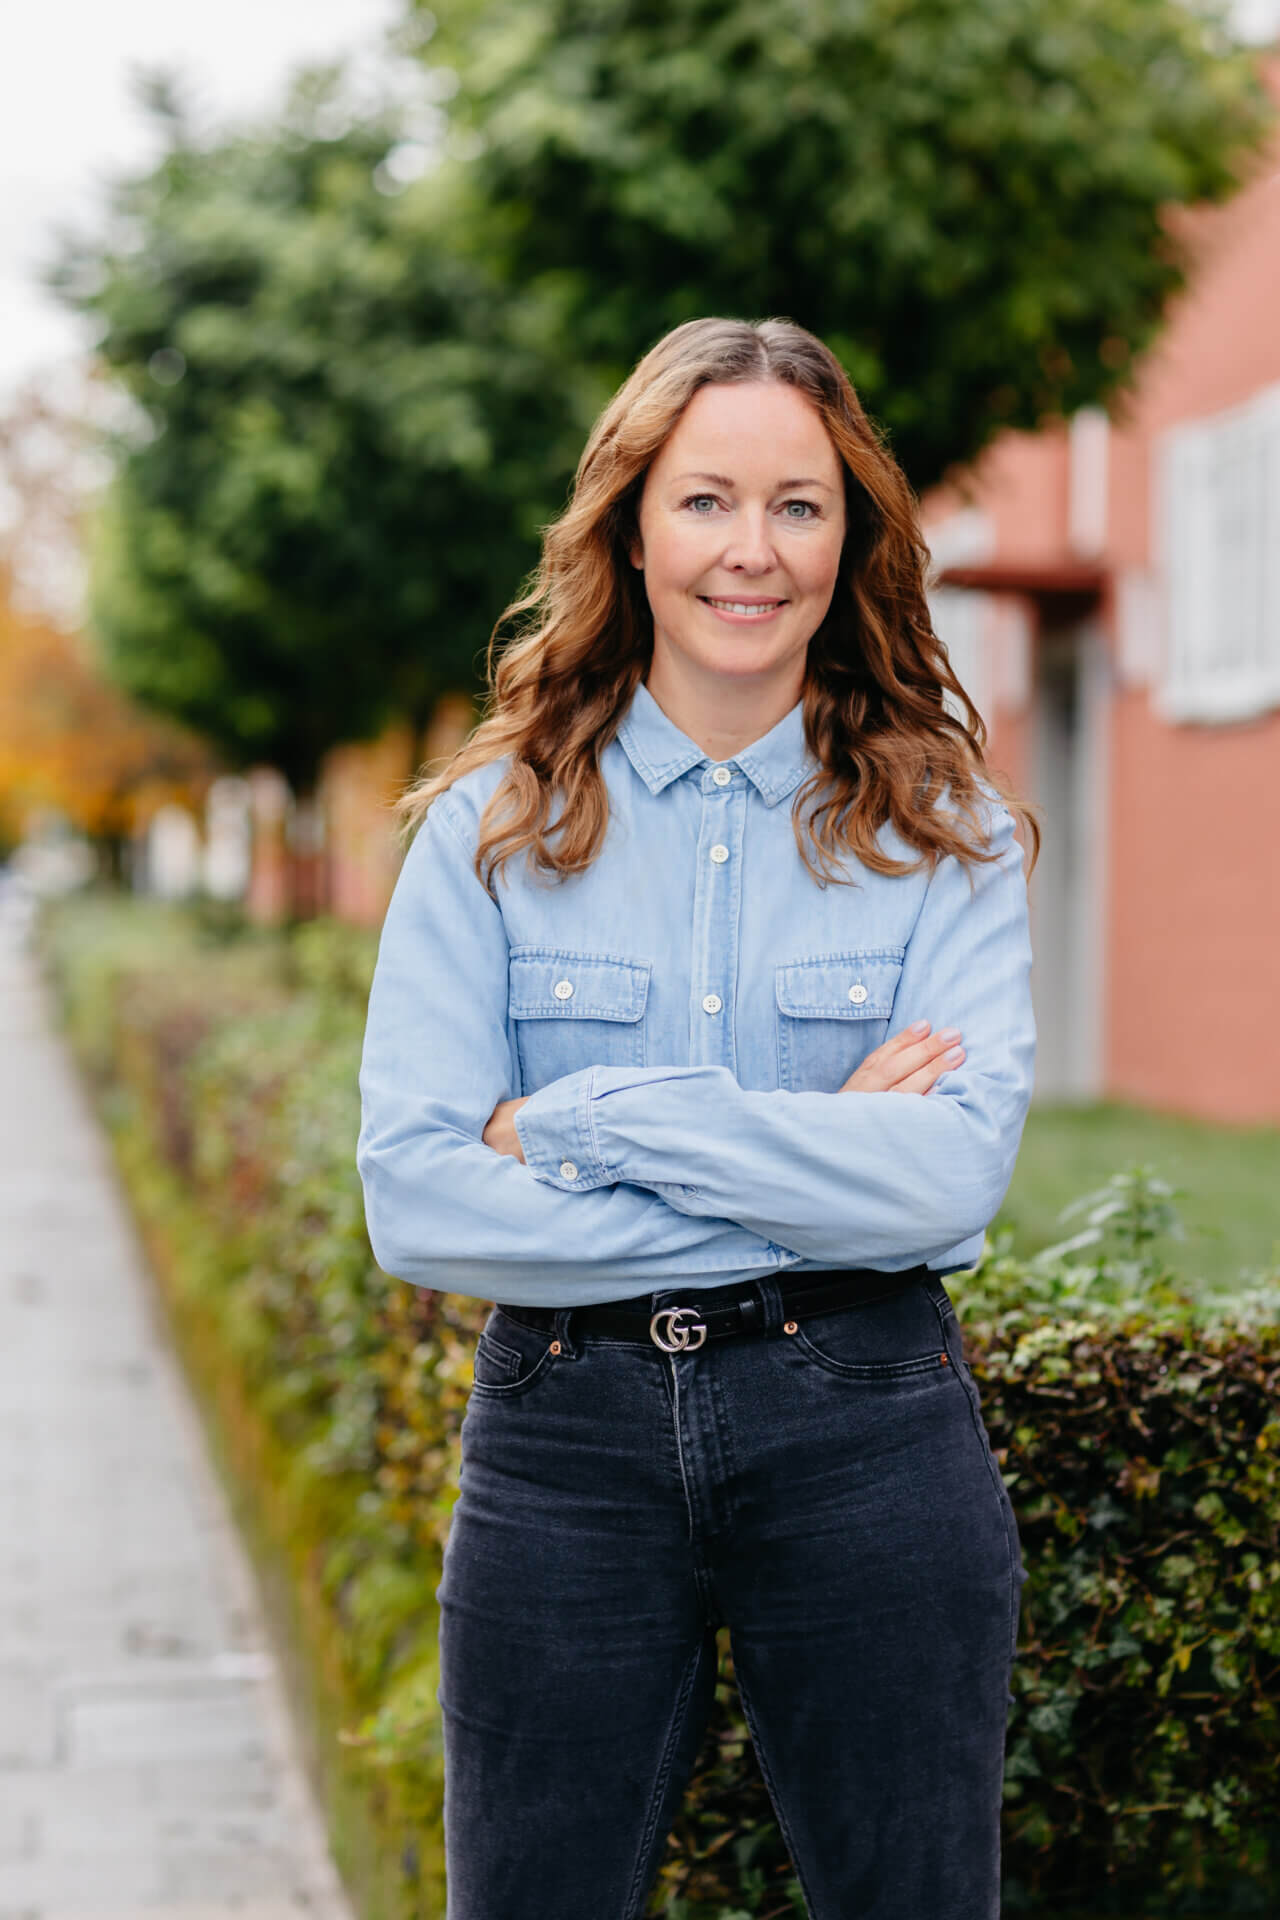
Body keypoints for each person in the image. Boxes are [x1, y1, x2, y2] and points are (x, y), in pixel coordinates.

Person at [356, 316, 1037, 1920]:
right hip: (566, 1443)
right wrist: (818, 1156)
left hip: (870, 1424)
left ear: (852, 536)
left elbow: (947, 1183)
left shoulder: (946, 834)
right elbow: (417, 1198)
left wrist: (586, 1117)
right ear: (633, 528)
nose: (754, 551)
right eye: (707, 500)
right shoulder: (492, 829)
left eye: (800, 505)